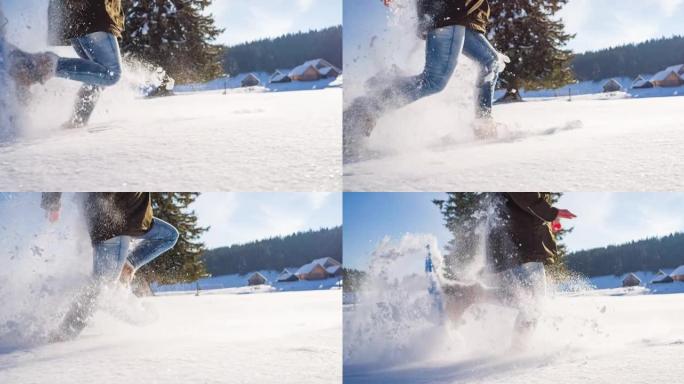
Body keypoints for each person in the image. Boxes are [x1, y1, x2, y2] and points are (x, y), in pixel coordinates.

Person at [344, 0, 509, 161]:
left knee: (490, 63)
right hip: (449, 10)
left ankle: (483, 124)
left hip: (460, 14)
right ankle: (365, 110)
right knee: (433, 80)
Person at [441, 192, 576, 349]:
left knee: (524, 299)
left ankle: (471, 294)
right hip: (518, 243)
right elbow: (524, 194)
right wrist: (551, 213)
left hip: (513, 241)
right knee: (533, 304)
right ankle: (517, 354)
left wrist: (548, 218)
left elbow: (524, 204)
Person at [41, 192, 179, 341]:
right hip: (113, 224)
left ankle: (128, 264)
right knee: (100, 288)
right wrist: (52, 203)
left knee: (168, 236)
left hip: (135, 218)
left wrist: (52, 203)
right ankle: (63, 335)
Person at [9, 0, 125, 129]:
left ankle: (78, 120)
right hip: (93, 15)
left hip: (83, 17)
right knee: (111, 74)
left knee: (94, 73)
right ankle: (45, 65)